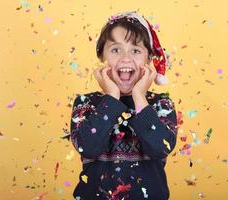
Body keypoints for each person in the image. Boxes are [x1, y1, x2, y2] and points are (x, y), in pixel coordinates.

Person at [69, 11, 178, 200]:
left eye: (135, 50)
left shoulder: (162, 104)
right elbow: (87, 147)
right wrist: (111, 98)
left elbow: (161, 147)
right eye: (115, 50)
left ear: (148, 60)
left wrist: (139, 97)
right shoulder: (85, 104)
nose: (125, 58)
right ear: (102, 56)